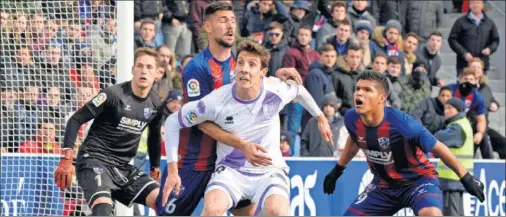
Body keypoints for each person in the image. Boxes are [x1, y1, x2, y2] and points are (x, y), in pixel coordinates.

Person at [155, 2, 303, 216]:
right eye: (223, 21)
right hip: (197, 161)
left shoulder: (240, 63)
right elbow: (197, 119)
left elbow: (258, 79)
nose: (230, 26)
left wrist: (274, 75)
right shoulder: (198, 67)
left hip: (229, 164)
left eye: (233, 20)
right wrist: (242, 144)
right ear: (207, 27)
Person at [162, 40, 333, 216]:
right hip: (230, 171)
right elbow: (173, 122)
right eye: (241, 62)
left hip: (269, 170)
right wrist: (173, 171)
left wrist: (320, 117)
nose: (244, 68)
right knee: (212, 209)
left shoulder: (276, 91)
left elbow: (299, 91)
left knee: (278, 211)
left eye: (252, 64)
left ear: (263, 73)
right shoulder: (216, 101)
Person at [322, 71, 485, 216]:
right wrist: (337, 170)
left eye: (367, 90)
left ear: (382, 98)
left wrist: (466, 178)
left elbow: (440, 148)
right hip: (383, 187)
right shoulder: (351, 118)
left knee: (432, 214)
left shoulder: (403, 123)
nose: (359, 94)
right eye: (358, 88)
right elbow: (354, 140)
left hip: (418, 181)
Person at [53, 48, 164, 216]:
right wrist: (66, 157)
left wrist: (155, 166)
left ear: (158, 73)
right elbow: (75, 119)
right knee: (103, 210)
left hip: (122, 167)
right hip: (93, 161)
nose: (144, 71)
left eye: (149, 67)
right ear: (133, 69)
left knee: (165, 201)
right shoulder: (113, 94)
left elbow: (155, 135)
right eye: (140, 66)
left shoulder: (155, 103)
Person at [434, 98, 474, 216]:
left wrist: (437, 132)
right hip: (457, 178)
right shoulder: (463, 124)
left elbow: (439, 138)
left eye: (450, 108)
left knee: (451, 213)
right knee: (457, 212)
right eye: (445, 108)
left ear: (459, 110)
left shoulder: (457, 127)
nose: (446, 111)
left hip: (452, 177)